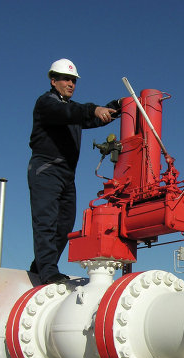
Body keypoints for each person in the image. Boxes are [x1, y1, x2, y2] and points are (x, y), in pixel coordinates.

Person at [28, 58, 120, 284]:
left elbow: (88, 118)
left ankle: (38, 267)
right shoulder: (48, 104)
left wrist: (117, 106)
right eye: (66, 79)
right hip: (46, 170)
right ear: (53, 80)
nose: (71, 84)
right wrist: (93, 109)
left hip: (67, 175)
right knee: (46, 222)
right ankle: (48, 272)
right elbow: (73, 113)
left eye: (74, 80)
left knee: (65, 224)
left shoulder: (70, 110)